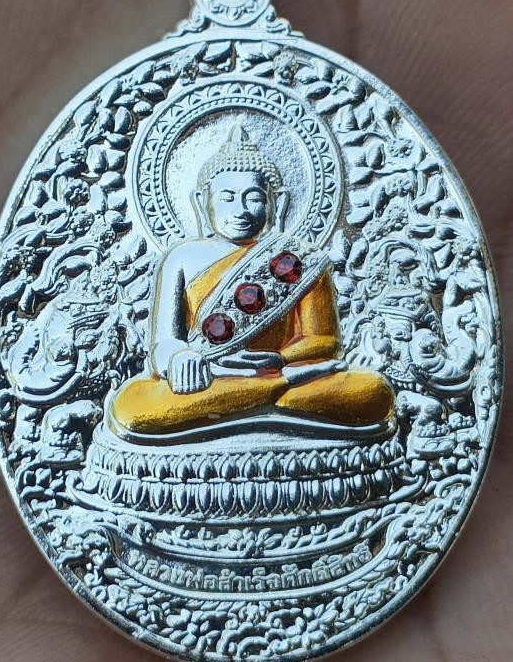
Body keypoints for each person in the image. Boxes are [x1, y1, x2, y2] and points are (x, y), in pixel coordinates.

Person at [112, 125, 394, 433]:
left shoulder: (300, 259)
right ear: (202, 201)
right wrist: (179, 358)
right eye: (227, 198)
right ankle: (271, 394)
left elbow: (324, 340)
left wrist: (277, 361)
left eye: (254, 198)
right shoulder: (181, 257)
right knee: (132, 404)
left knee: (372, 390)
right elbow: (164, 341)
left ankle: (258, 393)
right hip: (212, 375)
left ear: (278, 202)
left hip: (280, 372)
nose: (241, 210)